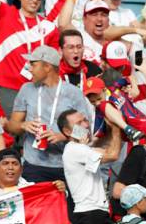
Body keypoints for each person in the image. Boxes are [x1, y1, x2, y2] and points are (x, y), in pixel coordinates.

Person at [7, 46, 90, 185]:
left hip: (65, 164)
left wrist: (63, 136)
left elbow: (86, 133)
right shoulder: (26, 89)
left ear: (47, 67)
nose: (29, 68)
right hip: (33, 164)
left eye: (33, 64)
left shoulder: (73, 93)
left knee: (64, 206)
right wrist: (23, 125)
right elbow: (12, 127)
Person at [59, 108, 123, 224]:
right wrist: (117, 127)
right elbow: (113, 154)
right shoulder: (73, 149)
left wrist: (111, 128)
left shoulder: (83, 148)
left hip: (97, 215)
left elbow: (107, 149)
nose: (85, 124)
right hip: (89, 216)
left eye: (85, 120)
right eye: (79, 123)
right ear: (67, 131)